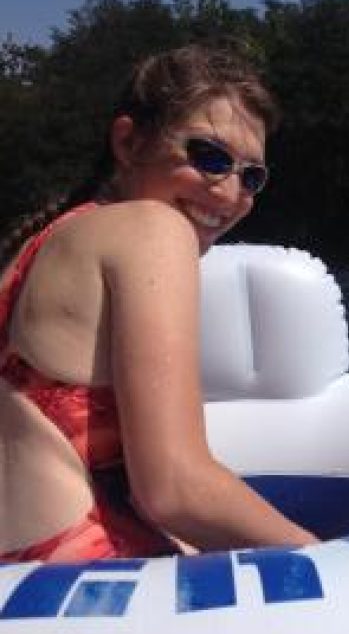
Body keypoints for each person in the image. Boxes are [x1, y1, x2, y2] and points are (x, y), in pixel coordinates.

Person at [0, 44, 317, 562]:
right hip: (85, 586)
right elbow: (175, 488)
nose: (230, 191)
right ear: (128, 141)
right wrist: (329, 556)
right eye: (209, 156)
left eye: (251, 175)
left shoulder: (37, 247)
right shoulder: (153, 228)